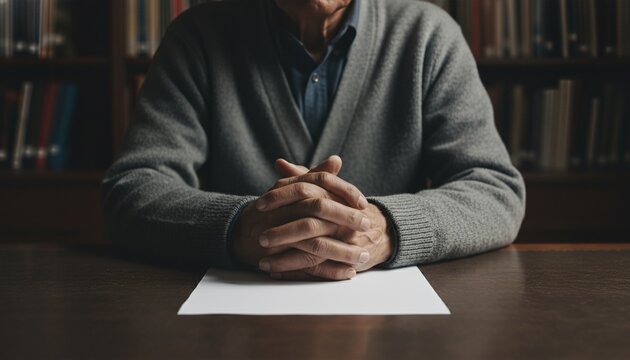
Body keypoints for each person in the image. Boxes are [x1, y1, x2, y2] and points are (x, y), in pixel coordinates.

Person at [102, 0, 525, 281]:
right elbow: (132, 189)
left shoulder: (429, 36)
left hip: (388, 328)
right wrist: (240, 229)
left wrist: (384, 228)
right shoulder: (197, 36)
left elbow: (495, 190)